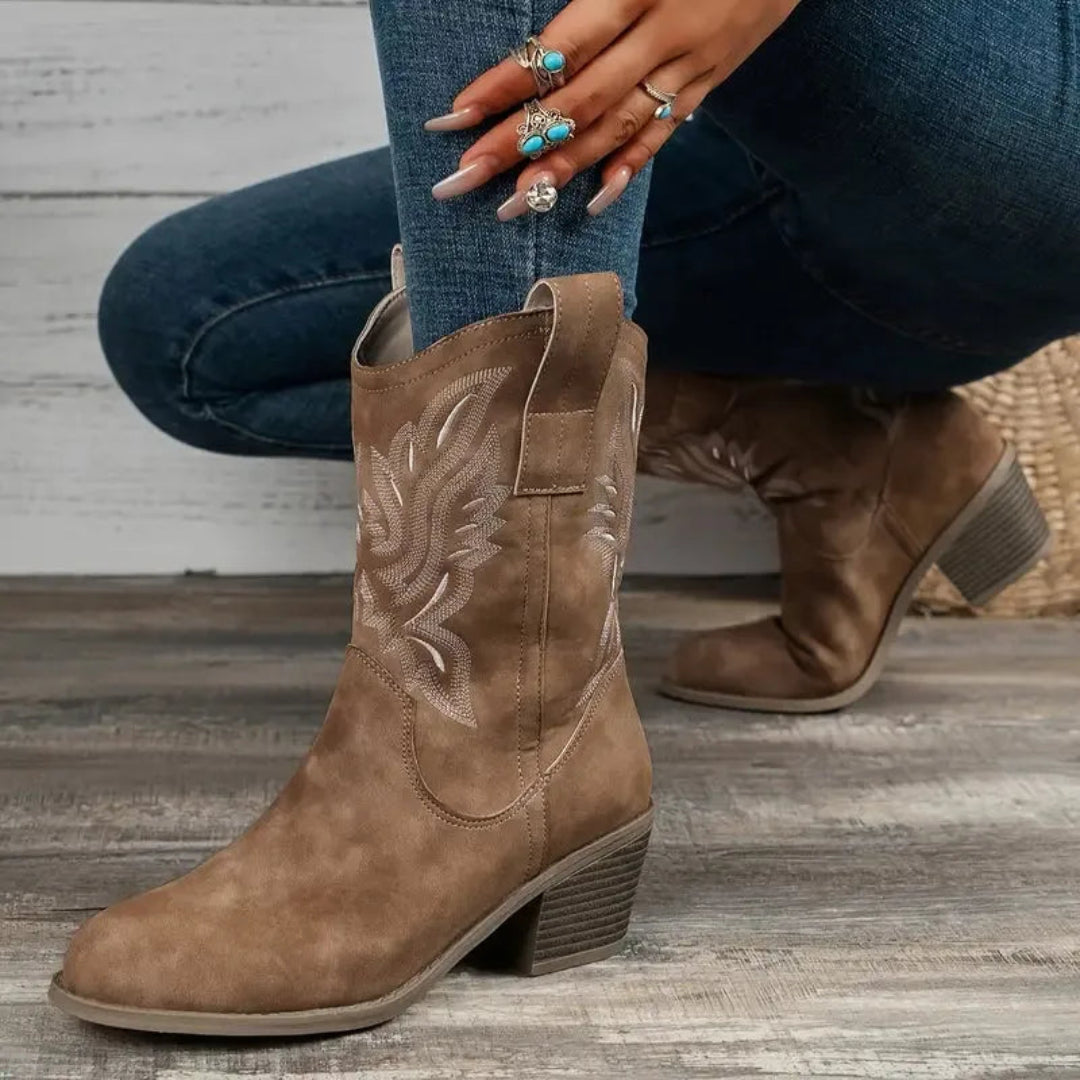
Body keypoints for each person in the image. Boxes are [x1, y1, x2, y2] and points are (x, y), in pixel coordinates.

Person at [50, 0, 1076, 1036]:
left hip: (1003, 135)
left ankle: (484, 762)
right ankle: (841, 451)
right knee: (187, 325)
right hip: (768, 180)